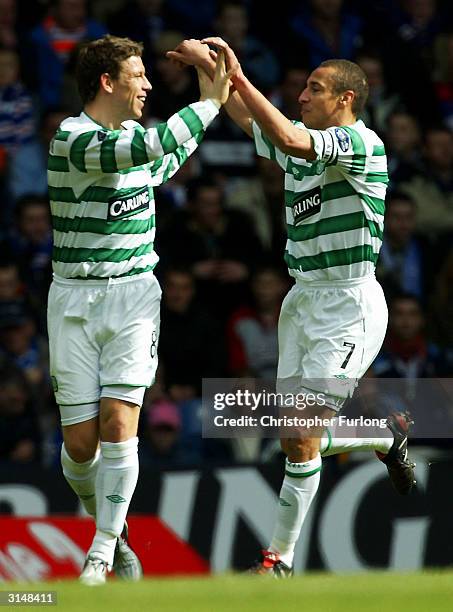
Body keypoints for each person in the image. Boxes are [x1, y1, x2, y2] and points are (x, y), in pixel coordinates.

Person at [167, 37, 416, 576]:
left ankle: (279, 560)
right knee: (293, 439)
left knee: (302, 431)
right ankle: (383, 433)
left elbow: (282, 131)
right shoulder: (299, 152)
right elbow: (245, 115)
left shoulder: (360, 142)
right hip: (301, 301)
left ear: (346, 99)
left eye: (315, 88)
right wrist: (211, 69)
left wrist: (237, 67)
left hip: (349, 302)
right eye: (303, 86)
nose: (301, 94)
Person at [47, 34, 231, 586]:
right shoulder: (72, 139)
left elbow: (164, 157)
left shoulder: (133, 137)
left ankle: (102, 555)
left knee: (119, 421)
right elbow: (147, 150)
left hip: (133, 294)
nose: (148, 84)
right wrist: (208, 103)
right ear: (108, 82)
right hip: (74, 299)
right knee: (80, 446)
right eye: (138, 75)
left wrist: (212, 92)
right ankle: (116, 528)